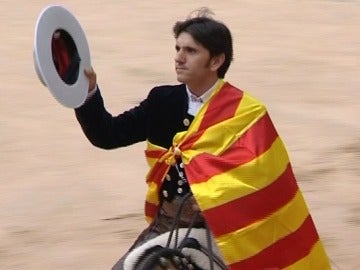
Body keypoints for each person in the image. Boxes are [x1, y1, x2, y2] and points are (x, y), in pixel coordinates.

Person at [75, 7, 330, 270]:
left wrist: (213, 197)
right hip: (167, 223)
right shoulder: (162, 101)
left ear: (216, 61)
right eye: (177, 49)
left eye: (191, 51)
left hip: (223, 229)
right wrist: (86, 91)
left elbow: (264, 182)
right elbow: (106, 135)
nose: (179, 58)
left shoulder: (246, 113)